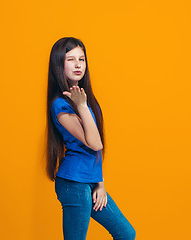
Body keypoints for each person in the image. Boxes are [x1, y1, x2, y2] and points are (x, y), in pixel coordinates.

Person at [46, 37, 136, 240]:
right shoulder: (60, 105)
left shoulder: (86, 100)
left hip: (90, 180)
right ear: (59, 64)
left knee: (126, 234)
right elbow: (95, 143)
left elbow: (95, 149)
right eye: (70, 59)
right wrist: (82, 106)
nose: (78, 64)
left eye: (82, 59)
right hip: (73, 182)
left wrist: (100, 183)